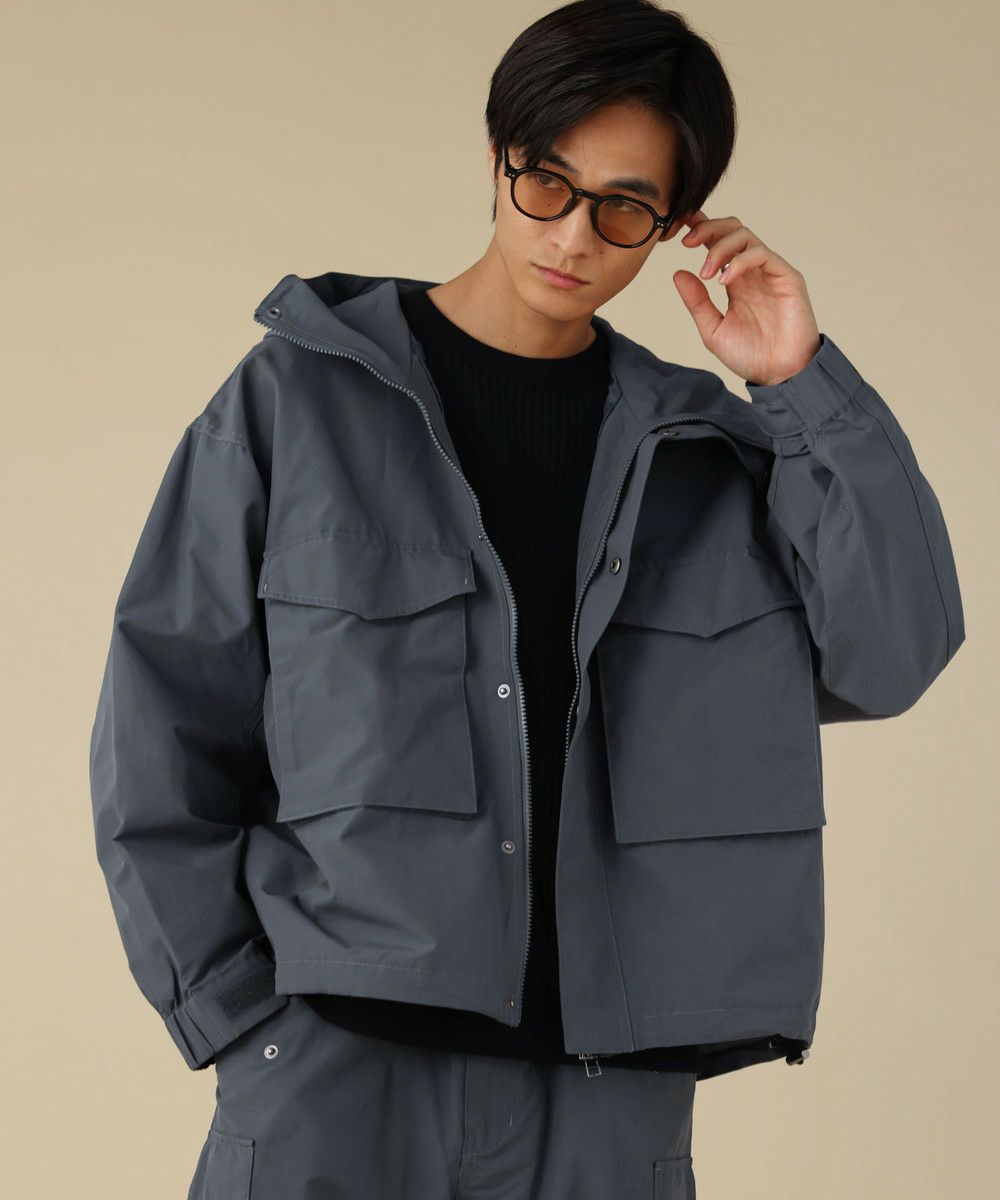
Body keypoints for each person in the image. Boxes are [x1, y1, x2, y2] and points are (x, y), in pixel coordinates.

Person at [88, 2, 965, 1197]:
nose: (573, 235)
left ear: (675, 223)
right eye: (548, 181)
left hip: (606, 1102)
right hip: (335, 1076)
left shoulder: (705, 455)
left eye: (624, 207)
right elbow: (161, 719)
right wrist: (236, 1015)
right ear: (498, 154)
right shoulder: (298, 402)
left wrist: (799, 382)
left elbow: (892, 653)